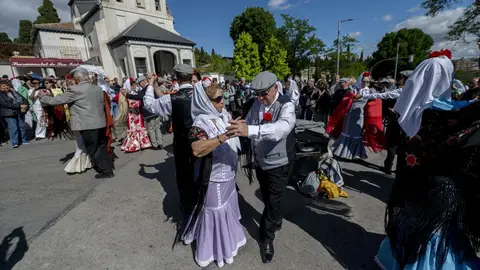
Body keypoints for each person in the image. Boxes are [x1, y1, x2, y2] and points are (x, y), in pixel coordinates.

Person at [376, 51, 480, 269]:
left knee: (413, 224)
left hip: (410, 181)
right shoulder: (448, 113)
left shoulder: (407, 108)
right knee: (435, 231)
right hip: (441, 185)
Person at [227, 71, 296, 264]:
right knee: (268, 197)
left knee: (273, 201)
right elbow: (249, 122)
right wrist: (241, 124)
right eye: (257, 94)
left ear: (275, 87)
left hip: (280, 163)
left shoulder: (286, 105)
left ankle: (266, 238)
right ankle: (275, 219)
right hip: (261, 162)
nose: (260, 98)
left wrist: (250, 130)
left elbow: (282, 128)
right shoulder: (258, 102)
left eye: (264, 93)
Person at [182, 79, 245, 267]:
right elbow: (197, 149)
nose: (222, 102)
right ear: (205, 101)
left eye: (223, 97)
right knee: (214, 212)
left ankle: (230, 240)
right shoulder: (200, 123)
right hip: (214, 180)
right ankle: (214, 251)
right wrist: (224, 136)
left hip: (228, 178)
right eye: (218, 99)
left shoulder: (222, 115)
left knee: (226, 208)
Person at [40, 68, 115, 179]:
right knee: (101, 146)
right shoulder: (97, 89)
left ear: (77, 78)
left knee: (94, 149)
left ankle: (106, 171)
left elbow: (56, 101)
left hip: (87, 124)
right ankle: (108, 167)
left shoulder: (75, 90)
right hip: (100, 123)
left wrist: (43, 97)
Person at [144, 64, 197, 215]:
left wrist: (150, 85)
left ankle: (187, 205)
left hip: (182, 142)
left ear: (177, 78)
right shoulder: (202, 94)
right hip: (201, 140)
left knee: (184, 173)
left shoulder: (171, 99)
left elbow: (149, 105)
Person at [120, 76, 153, 153]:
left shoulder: (135, 92)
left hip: (138, 113)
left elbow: (139, 98)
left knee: (140, 128)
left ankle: (143, 143)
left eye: (134, 85)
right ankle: (133, 145)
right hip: (132, 114)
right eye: (132, 85)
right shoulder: (125, 94)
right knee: (133, 130)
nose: (134, 86)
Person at [0, 80, 29, 148]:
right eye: (3, 86)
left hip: (19, 112)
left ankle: (23, 139)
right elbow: (6, 104)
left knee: (21, 126)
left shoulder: (14, 92)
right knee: (13, 128)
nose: (5, 87)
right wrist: (19, 106)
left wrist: (25, 104)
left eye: (6, 85)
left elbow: (24, 99)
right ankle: (15, 142)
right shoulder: (1, 95)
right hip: (9, 113)